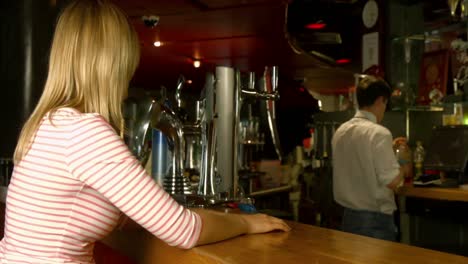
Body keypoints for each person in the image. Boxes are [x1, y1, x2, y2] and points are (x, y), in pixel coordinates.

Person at [0, 0, 290, 263]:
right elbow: (182, 230)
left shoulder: (49, 124)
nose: (128, 80)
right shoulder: (84, 131)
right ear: (112, 67)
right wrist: (246, 223)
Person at [331, 75, 410, 242]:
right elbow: (393, 181)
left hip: (348, 218)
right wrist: (404, 162)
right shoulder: (379, 133)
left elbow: (361, 158)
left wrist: (389, 147)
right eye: (385, 104)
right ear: (381, 100)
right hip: (374, 222)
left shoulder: (341, 131)